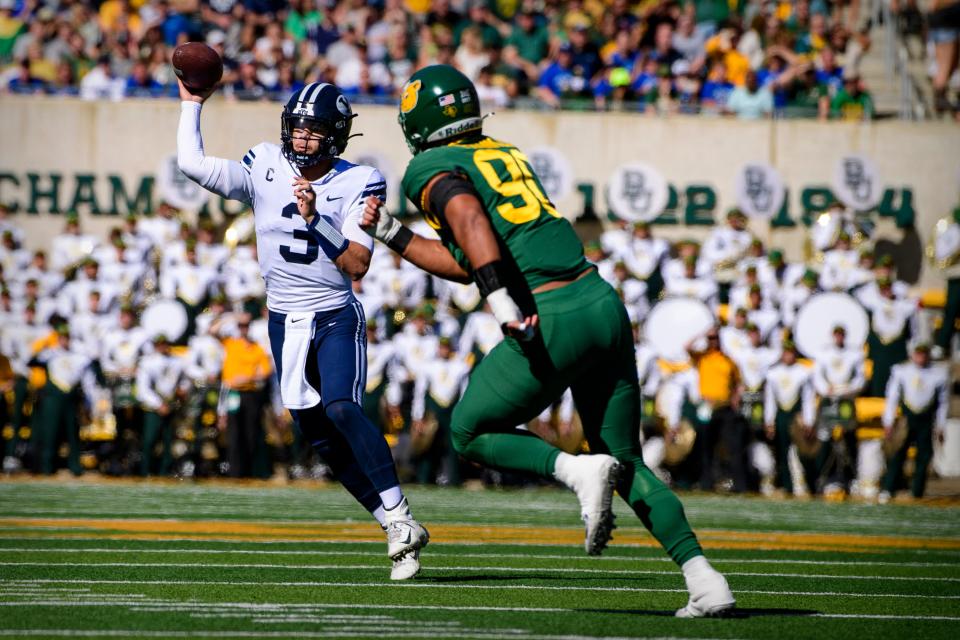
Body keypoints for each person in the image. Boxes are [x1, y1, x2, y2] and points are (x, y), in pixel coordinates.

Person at [361, 65, 734, 617]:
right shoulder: (501, 152)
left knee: (467, 431)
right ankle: (705, 580)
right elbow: (470, 256)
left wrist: (502, 303)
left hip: (549, 310)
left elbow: (465, 218)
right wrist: (393, 234)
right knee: (624, 457)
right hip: (601, 302)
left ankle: (575, 471)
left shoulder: (430, 167)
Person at [175, 77, 428, 581]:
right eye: (298, 127)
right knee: (319, 435)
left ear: (336, 134)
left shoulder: (361, 181)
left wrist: (317, 219)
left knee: (341, 407)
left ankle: (400, 513)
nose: (302, 138)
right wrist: (191, 104)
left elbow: (356, 264)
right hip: (282, 319)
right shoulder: (265, 161)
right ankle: (393, 527)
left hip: (334, 312)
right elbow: (192, 165)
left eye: (313, 130)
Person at [880, 344, 949, 502]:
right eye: (918, 354)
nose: (921, 358)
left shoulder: (938, 374)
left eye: (924, 354)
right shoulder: (902, 371)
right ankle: (889, 488)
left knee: (923, 456)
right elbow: (892, 397)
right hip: (906, 419)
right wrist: (888, 421)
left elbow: (943, 403)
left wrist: (940, 425)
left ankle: (917, 491)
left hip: (926, 419)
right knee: (897, 453)